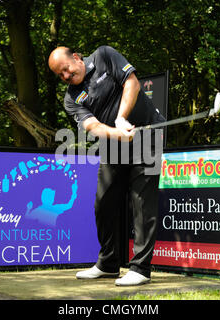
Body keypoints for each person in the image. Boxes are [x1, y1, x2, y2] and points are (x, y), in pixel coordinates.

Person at [48, 45, 165, 286]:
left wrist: (122, 118)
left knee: (142, 202)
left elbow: (131, 83)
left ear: (77, 58)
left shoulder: (104, 56)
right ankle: (109, 263)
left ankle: (140, 268)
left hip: (147, 134)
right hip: (114, 144)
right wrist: (117, 132)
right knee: (104, 203)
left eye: (67, 69)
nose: (66, 76)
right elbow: (92, 126)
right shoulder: (71, 98)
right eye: (61, 76)